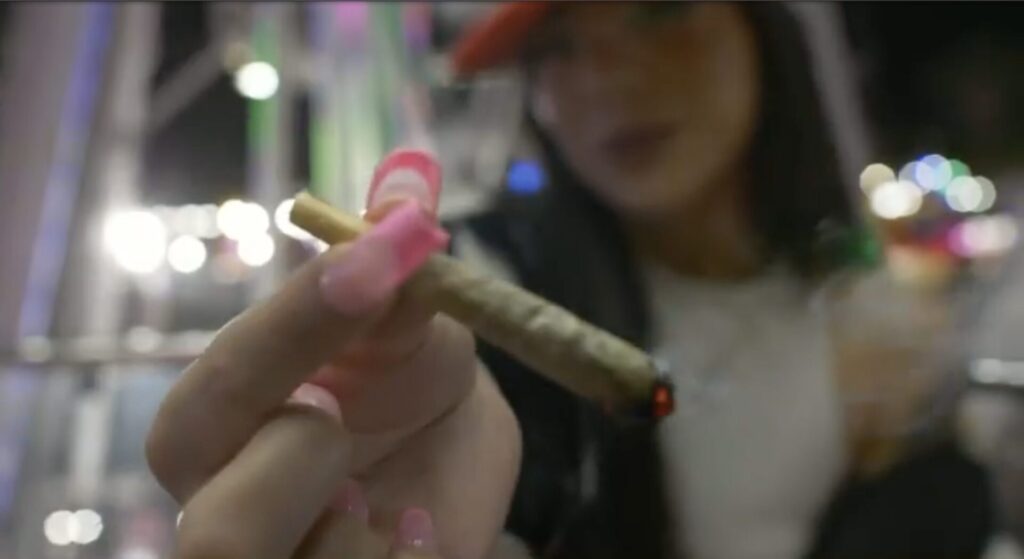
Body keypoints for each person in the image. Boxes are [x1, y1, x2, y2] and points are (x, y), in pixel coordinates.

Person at [146, 2, 995, 559]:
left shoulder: (870, 301)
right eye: (557, 50)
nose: (606, 79)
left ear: (769, 30)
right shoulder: (478, 274)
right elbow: (494, 449)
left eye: (660, 11)